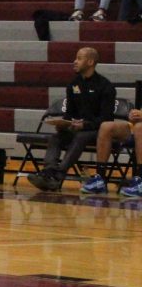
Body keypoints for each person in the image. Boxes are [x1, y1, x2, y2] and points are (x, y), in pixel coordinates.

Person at [27, 47, 116, 192]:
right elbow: (69, 114)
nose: (74, 62)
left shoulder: (105, 86)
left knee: (81, 136)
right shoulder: (73, 84)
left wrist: (85, 125)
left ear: (90, 61)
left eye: (79, 58)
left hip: (97, 131)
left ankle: (58, 175)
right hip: (77, 127)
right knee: (56, 137)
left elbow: (106, 119)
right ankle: (49, 172)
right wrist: (63, 124)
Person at [86, 107, 142, 197]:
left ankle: (140, 181)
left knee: (140, 128)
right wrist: (133, 116)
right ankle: (100, 179)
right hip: (134, 129)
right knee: (106, 126)